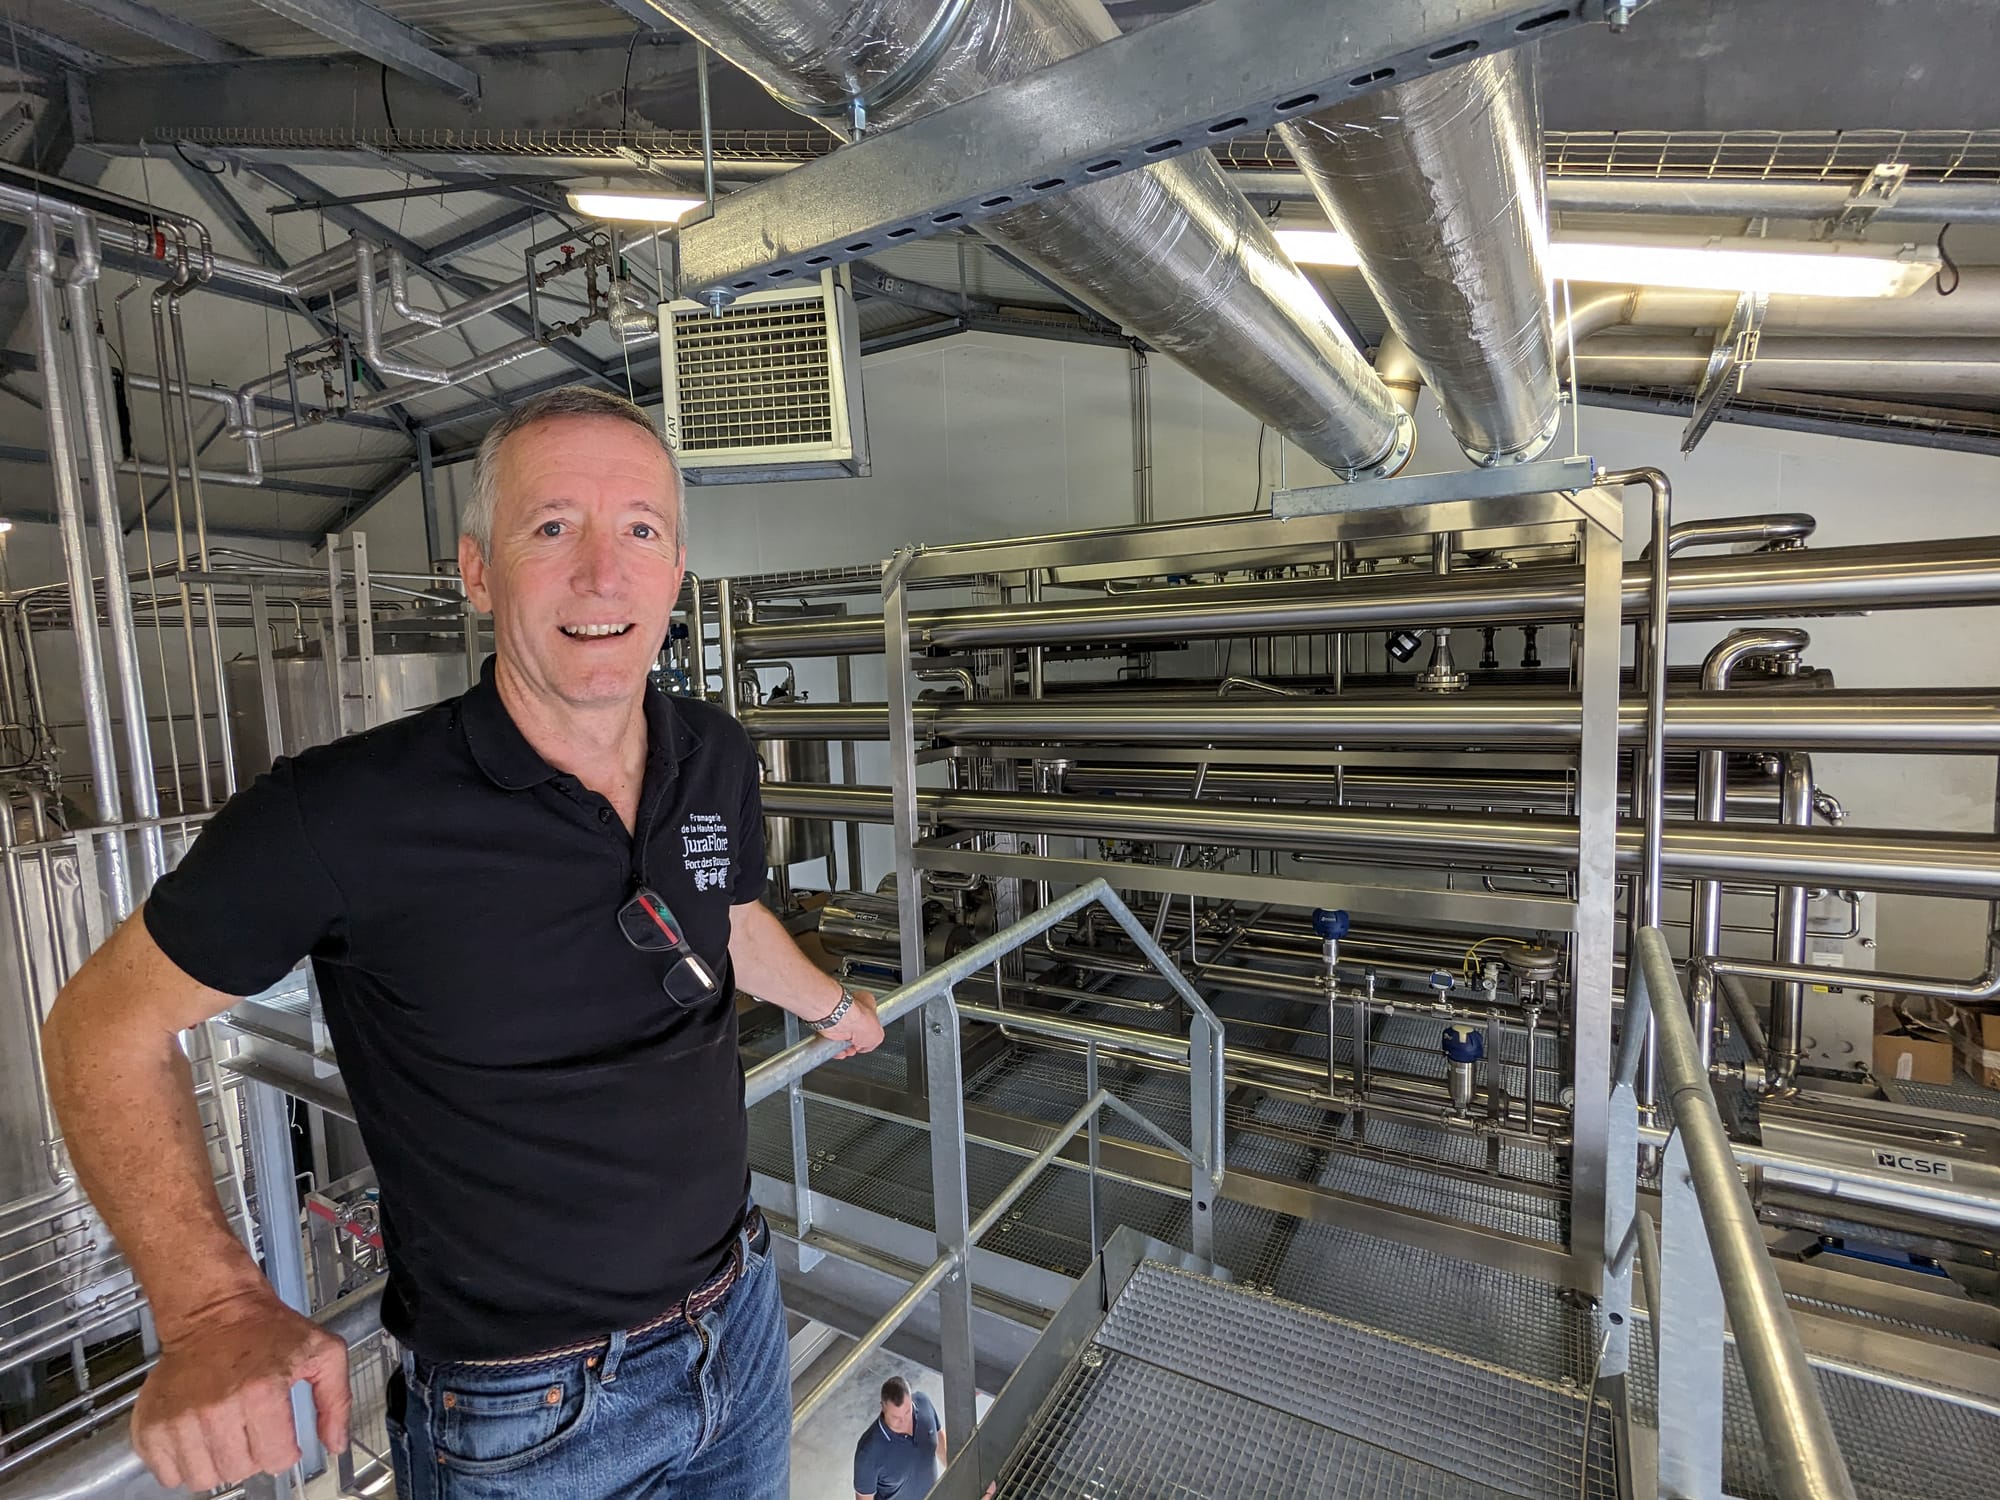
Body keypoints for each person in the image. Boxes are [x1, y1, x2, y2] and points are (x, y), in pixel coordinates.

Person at [41, 385, 885, 1498]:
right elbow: (103, 1026)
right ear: (478, 572)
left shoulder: (713, 754)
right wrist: (208, 1308)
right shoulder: (342, 814)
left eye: (640, 530)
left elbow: (718, 916)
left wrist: (832, 1005)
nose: (603, 573)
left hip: (738, 1323)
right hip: (524, 1413)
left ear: (677, 570)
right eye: (553, 528)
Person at [854, 1376, 948, 1500]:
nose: (904, 1421)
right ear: (883, 1408)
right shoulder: (868, 1453)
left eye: (907, 1412)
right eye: (896, 1417)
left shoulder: (924, 1404)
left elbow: (943, 1449)